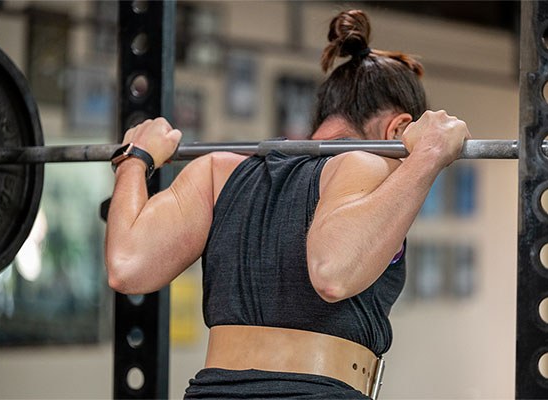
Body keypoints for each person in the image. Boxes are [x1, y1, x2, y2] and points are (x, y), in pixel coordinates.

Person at [105, 9, 471, 399]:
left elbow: (128, 268)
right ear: (397, 130)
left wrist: (135, 158)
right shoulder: (365, 163)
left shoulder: (215, 173)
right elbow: (332, 273)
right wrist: (427, 156)